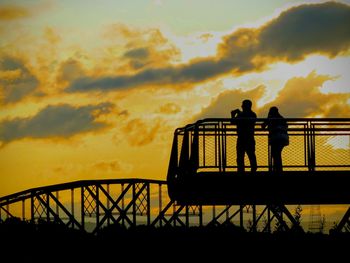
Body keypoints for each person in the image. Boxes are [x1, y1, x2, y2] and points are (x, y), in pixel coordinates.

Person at [231, 99, 257, 174]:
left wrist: (236, 114)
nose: (241, 106)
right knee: (241, 156)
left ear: (247, 106)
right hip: (245, 138)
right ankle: (242, 170)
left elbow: (234, 122)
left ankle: (252, 169)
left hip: (246, 138)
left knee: (249, 155)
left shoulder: (252, 114)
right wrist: (234, 115)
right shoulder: (250, 114)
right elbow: (233, 122)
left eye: (243, 104)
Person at [261, 106, 289, 173]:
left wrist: (267, 118)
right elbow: (286, 127)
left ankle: (277, 169)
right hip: (283, 138)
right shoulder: (281, 118)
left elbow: (263, 126)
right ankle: (278, 169)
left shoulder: (271, 118)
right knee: (277, 153)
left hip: (275, 138)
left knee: (275, 154)